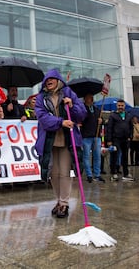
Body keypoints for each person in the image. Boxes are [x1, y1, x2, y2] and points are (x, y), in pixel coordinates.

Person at [35, 69, 86, 218]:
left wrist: (72, 106)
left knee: (64, 172)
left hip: (67, 140)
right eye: (46, 80)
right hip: (49, 141)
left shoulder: (69, 93)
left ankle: (64, 203)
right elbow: (42, 118)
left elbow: (81, 114)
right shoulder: (41, 98)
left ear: (58, 80)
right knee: (53, 173)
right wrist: (60, 122)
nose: (48, 81)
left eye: (52, 79)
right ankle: (58, 200)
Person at [80, 93, 105, 183]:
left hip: (96, 135)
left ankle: (97, 174)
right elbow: (80, 119)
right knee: (86, 156)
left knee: (97, 156)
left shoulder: (97, 109)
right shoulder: (82, 109)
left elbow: (102, 121)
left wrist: (101, 121)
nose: (91, 98)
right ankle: (89, 175)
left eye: (92, 97)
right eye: (89, 97)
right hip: (86, 136)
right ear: (85, 99)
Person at [107, 99, 134, 181]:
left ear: (124, 106)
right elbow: (109, 128)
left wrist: (130, 136)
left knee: (125, 156)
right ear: (117, 106)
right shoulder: (112, 115)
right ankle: (114, 173)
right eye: (119, 106)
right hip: (116, 139)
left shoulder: (128, 115)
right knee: (114, 156)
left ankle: (126, 173)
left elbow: (131, 127)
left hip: (125, 139)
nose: (120, 107)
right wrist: (109, 140)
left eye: (122, 106)